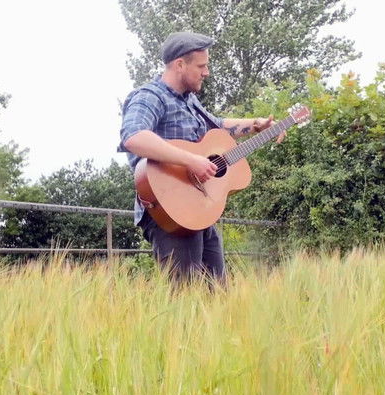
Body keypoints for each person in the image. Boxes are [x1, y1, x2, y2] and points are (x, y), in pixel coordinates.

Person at [118, 31, 281, 285]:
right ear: (180, 64)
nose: (207, 72)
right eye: (201, 66)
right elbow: (133, 137)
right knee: (184, 295)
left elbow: (218, 126)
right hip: (169, 211)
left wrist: (256, 125)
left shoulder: (190, 101)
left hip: (199, 210)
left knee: (218, 293)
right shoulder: (150, 96)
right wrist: (191, 161)